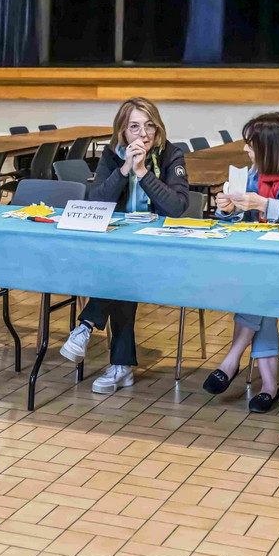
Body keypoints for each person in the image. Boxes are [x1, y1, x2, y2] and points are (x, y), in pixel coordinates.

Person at [58, 98, 196, 392]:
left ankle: (86, 327)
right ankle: (121, 365)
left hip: (160, 247)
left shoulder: (171, 155)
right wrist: (124, 170)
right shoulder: (112, 155)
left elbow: (176, 207)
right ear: (122, 131)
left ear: (158, 128)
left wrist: (143, 172)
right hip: (120, 246)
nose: (143, 134)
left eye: (149, 126)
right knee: (122, 270)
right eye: (134, 127)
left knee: (121, 269)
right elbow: (97, 202)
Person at [203, 112, 279, 412]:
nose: (246, 149)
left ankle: (232, 360)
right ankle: (269, 387)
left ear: (271, 147)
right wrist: (227, 209)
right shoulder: (254, 171)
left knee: (258, 289)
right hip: (259, 262)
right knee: (261, 292)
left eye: (251, 144)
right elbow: (236, 217)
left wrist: (264, 204)